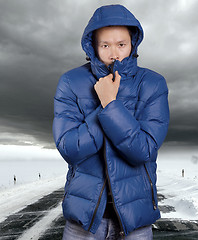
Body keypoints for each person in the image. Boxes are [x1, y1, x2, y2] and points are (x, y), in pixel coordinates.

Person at [53, 4, 169, 239]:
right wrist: (106, 106)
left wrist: (111, 103)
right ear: (93, 46)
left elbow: (143, 150)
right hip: (83, 221)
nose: (114, 53)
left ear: (132, 43)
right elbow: (70, 148)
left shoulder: (153, 84)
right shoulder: (70, 82)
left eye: (121, 44)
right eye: (105, 45)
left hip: (135, 221)